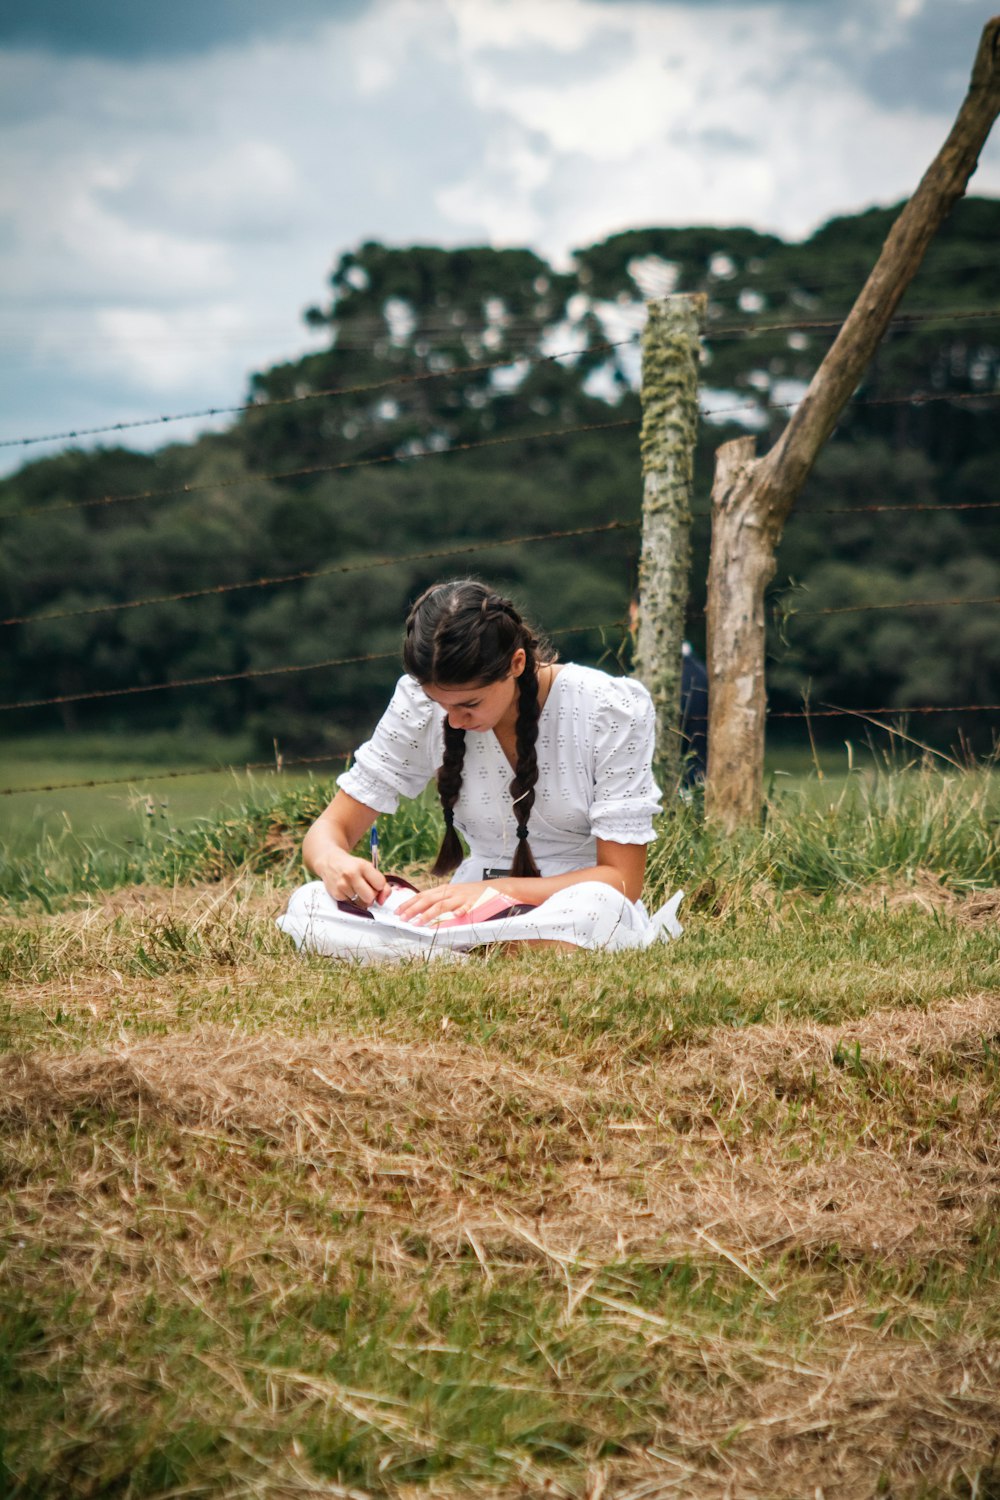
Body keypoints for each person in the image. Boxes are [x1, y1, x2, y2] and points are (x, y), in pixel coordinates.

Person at [277, 579, 683, 962]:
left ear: (517, 663)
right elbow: (329, 830)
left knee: (596, 911)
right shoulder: (418, 705)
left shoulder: (608, 707)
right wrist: (335, 862)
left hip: (569, 903)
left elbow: (623, 880)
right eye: (442, 704)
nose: (453, 720)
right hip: (462, 913)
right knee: (311, 903)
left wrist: (493, 890)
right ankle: (476, 953)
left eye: (469, 704)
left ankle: (427, 955)